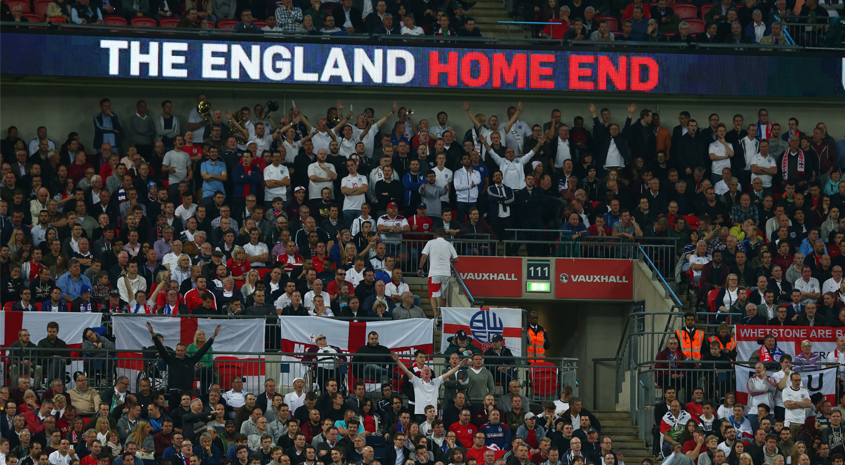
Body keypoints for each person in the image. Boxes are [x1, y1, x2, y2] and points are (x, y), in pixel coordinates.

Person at [145, 322, 221, 410]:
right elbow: (161, 349)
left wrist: (213, 336)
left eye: (182, 351)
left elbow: (203, 350)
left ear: (185, 351)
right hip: (173, 393)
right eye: (178, 350)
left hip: (187, 394)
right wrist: (153, 334)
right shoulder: (171, 360)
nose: (179, 352)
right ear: (176, 351)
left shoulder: (191, 361)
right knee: (173, 415)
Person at [417, 228, 458, 317]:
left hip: (434, 273)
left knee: (433, 294)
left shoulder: (430, 242)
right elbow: (456, 259)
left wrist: (420, 268)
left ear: (435, 235)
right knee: (443, 295)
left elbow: (424, 256)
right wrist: (449, 260)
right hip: (446, 273)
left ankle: (436, 313)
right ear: (444, 236)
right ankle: (441, 315)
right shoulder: (449, 244)